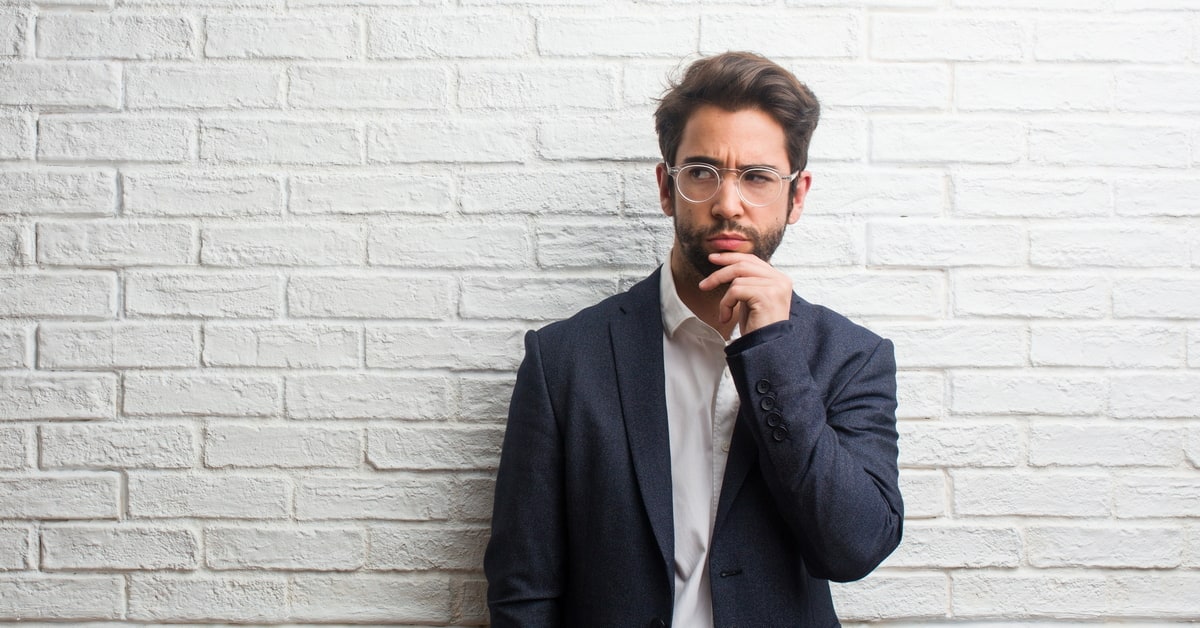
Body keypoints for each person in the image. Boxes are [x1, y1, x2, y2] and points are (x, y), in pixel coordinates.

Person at [484, 51, 903, 628]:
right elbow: (523, 591)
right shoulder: (563, 362)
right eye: (703, 172)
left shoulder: (852, 358)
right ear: (666, 187)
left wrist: (773, 353)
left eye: (757, 177)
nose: (728, 204)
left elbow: (853, 549)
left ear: (797, 195)